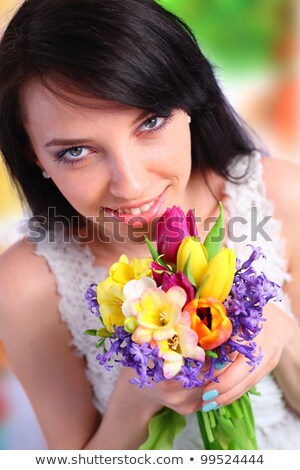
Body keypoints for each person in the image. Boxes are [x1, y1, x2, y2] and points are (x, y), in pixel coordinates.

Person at [0, 0, 299, 450]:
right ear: (32, 155)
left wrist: (279, 331)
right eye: (76, 151)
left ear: (191, 100)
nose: (131, 185)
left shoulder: (282, 197)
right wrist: (136, 398)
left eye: (151, 122)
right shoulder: (26, 286)